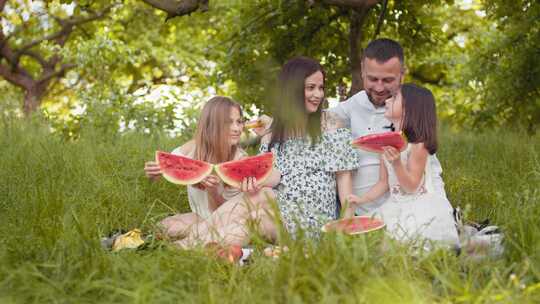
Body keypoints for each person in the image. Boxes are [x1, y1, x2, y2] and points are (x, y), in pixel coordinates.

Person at [176, 56, 360, 246]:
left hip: (312, 224)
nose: (318, 94)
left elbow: (346, 194)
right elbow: (268, 179)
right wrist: (251, 185)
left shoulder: (332, 128)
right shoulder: (272, 134)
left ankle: (185, 247)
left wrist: (342, 239)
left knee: (260, 204)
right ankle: (187, 248)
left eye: (320, 88)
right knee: (256, 204)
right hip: (274, 211)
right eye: (310, 87)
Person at [327, 38, 447, 215]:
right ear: (362, 71)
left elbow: (428, 171)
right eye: (373, 79)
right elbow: (314, 119)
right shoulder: (353, 105)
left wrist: (440, 209)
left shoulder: (410, 111)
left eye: (388, 80)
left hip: (405, 208)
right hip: (360, 210)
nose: (379, 87)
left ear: (402, 75)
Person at [347, 84, 459, 246]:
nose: (388, 100)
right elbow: (383, 183)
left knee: (406, 241)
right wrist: (362, 199)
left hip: (420, 206)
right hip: (395, 205)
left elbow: (412, 186)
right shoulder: (386, 142)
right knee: (371, 240)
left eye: (394, 97)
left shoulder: (418, 146)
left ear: (409, 108)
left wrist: (397, 163)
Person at [143, 96, 247, 239]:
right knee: (162, 226)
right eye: (228, 122)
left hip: (226, 220)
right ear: (213, 124)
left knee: (172, 230)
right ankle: (200, 235)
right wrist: (156, 172)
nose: (237, 128)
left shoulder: (240, 161)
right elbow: (170, 165)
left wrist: (213, 192)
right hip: (200, 215)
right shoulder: (192, 148)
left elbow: (225, 213)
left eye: (239, 122)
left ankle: (201, 237)